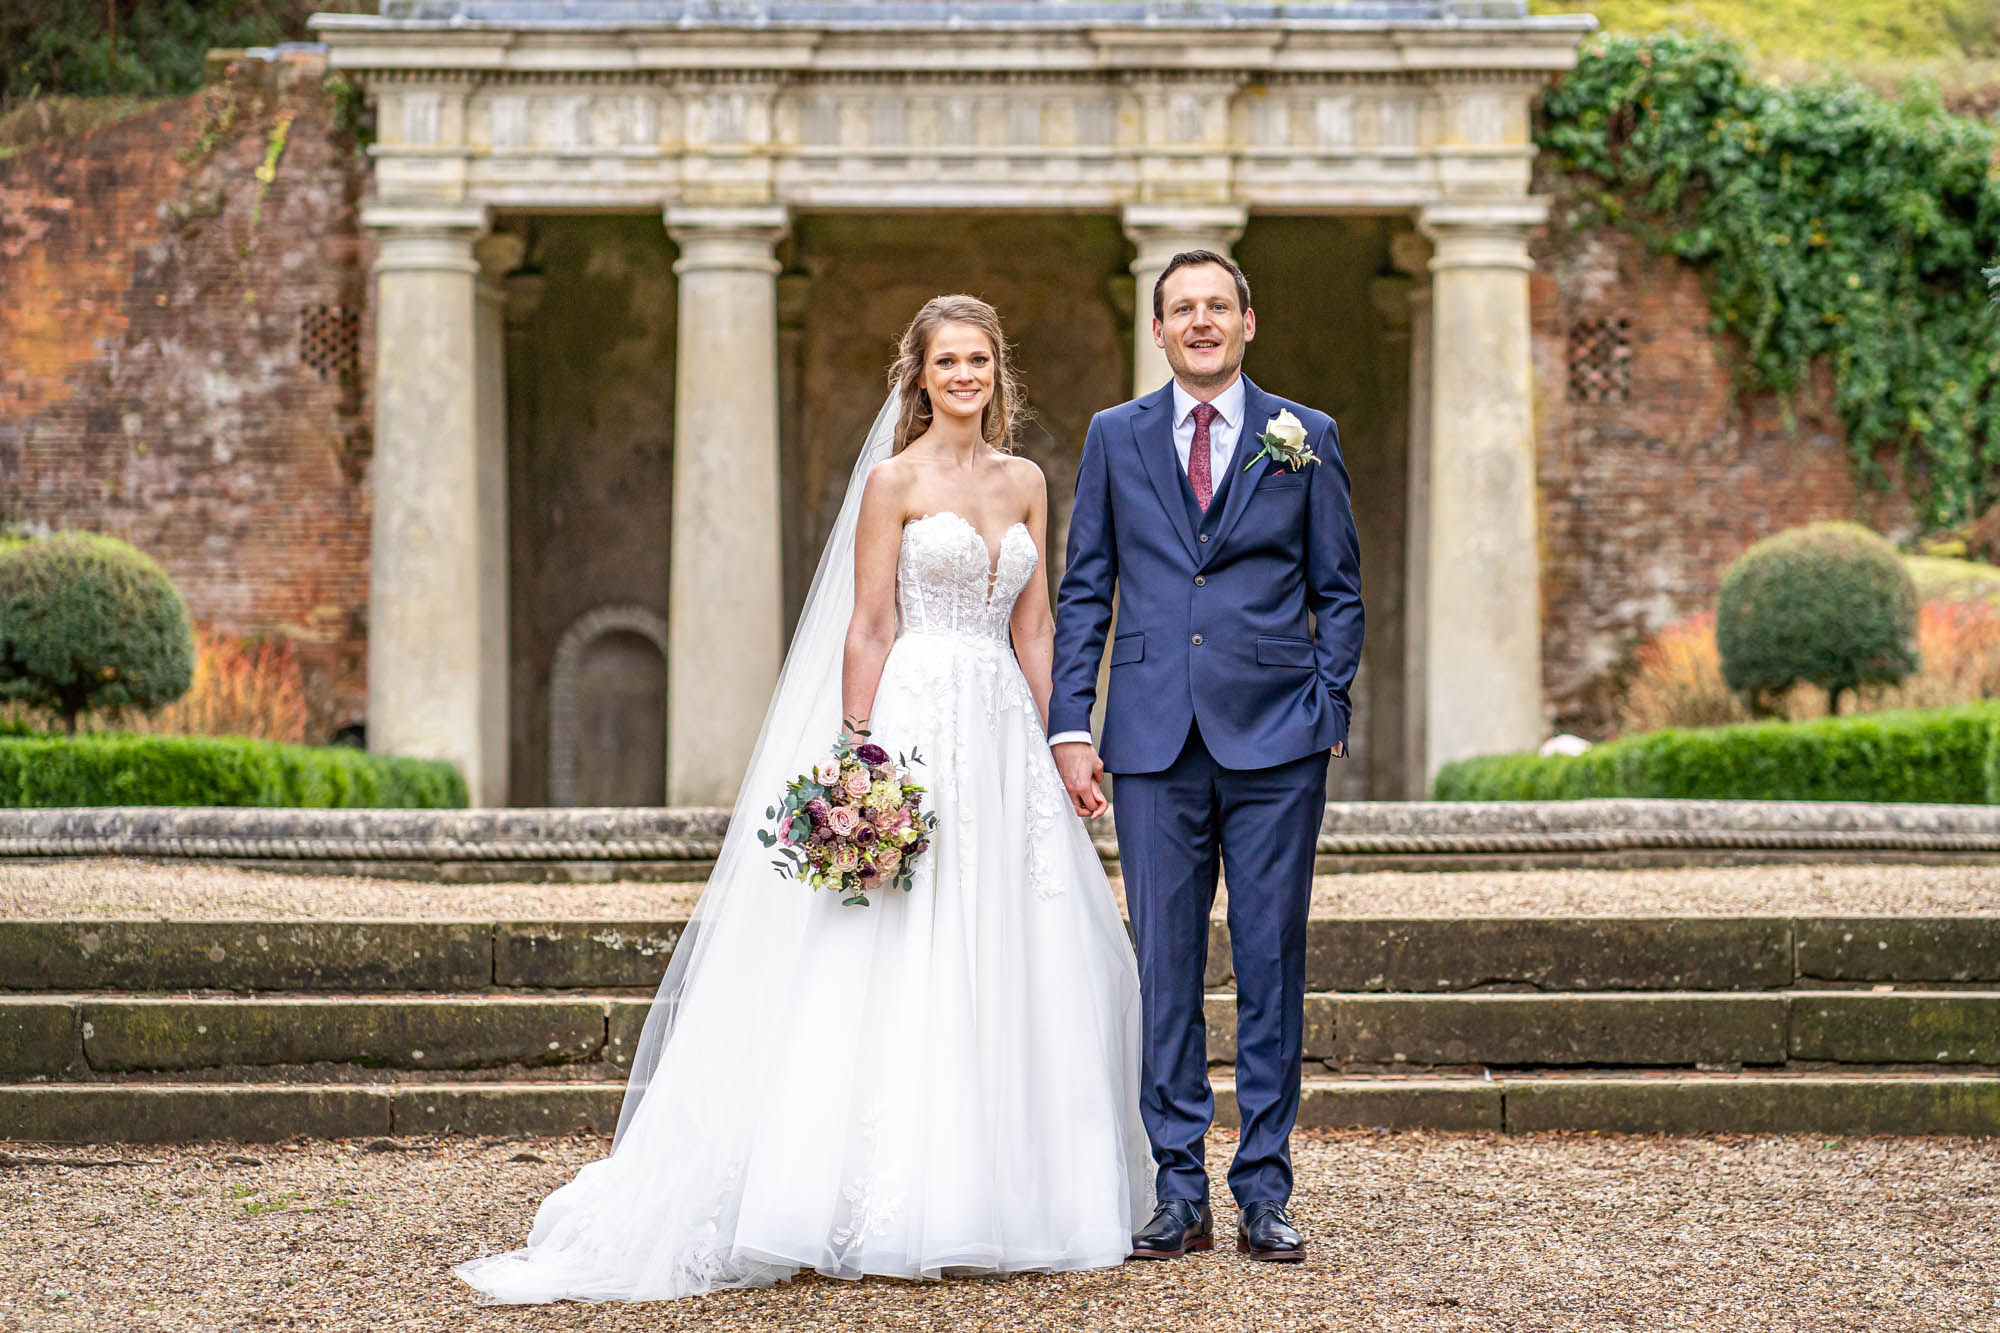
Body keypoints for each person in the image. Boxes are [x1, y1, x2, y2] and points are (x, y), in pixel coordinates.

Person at [454, 294, 1151, 1305]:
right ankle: (882, 1198)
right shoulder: (891, 482)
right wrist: (859, 756)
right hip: (914, 716)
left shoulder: (1029, 482)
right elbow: (867, 625)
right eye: (947, 362)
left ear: (999, 374)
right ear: (917, 376)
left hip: (1002, 729)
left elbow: (1034, 628)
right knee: (899, 946)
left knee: (1012, 940)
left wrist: (1065, 741)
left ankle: (1013, 1196)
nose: (965, 377)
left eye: (980, 362)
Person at [1050, 250, 1363, 1264]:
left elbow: (1340, 590)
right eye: (1180, 308)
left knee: (1271, 963)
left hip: (1278, 738)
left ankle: (1263, 1190)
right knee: (1164, 969)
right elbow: (1084, 588)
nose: (1198, 321)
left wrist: (1326, 701)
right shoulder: (1113, 438)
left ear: (1246, 322)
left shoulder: (1302, 436)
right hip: (1149, 740)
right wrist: (1070, 724)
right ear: (1157, 329)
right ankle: (1176, 1189)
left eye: (1215, 307)